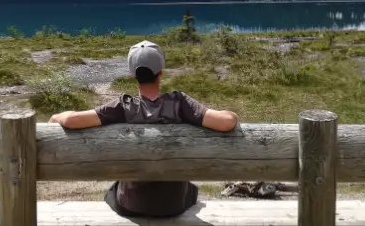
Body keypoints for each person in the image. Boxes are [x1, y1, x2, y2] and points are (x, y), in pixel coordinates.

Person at [49, 40, 239, 218]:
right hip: (173, 205)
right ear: (161, 73)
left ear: (133, 75)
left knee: (112, 192)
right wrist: (231, 113)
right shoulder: (180, 104)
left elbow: (72, 120)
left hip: (132, 204)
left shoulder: (123, 106)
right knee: (190, 189)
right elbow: (227, 121)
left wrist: (56, 117)